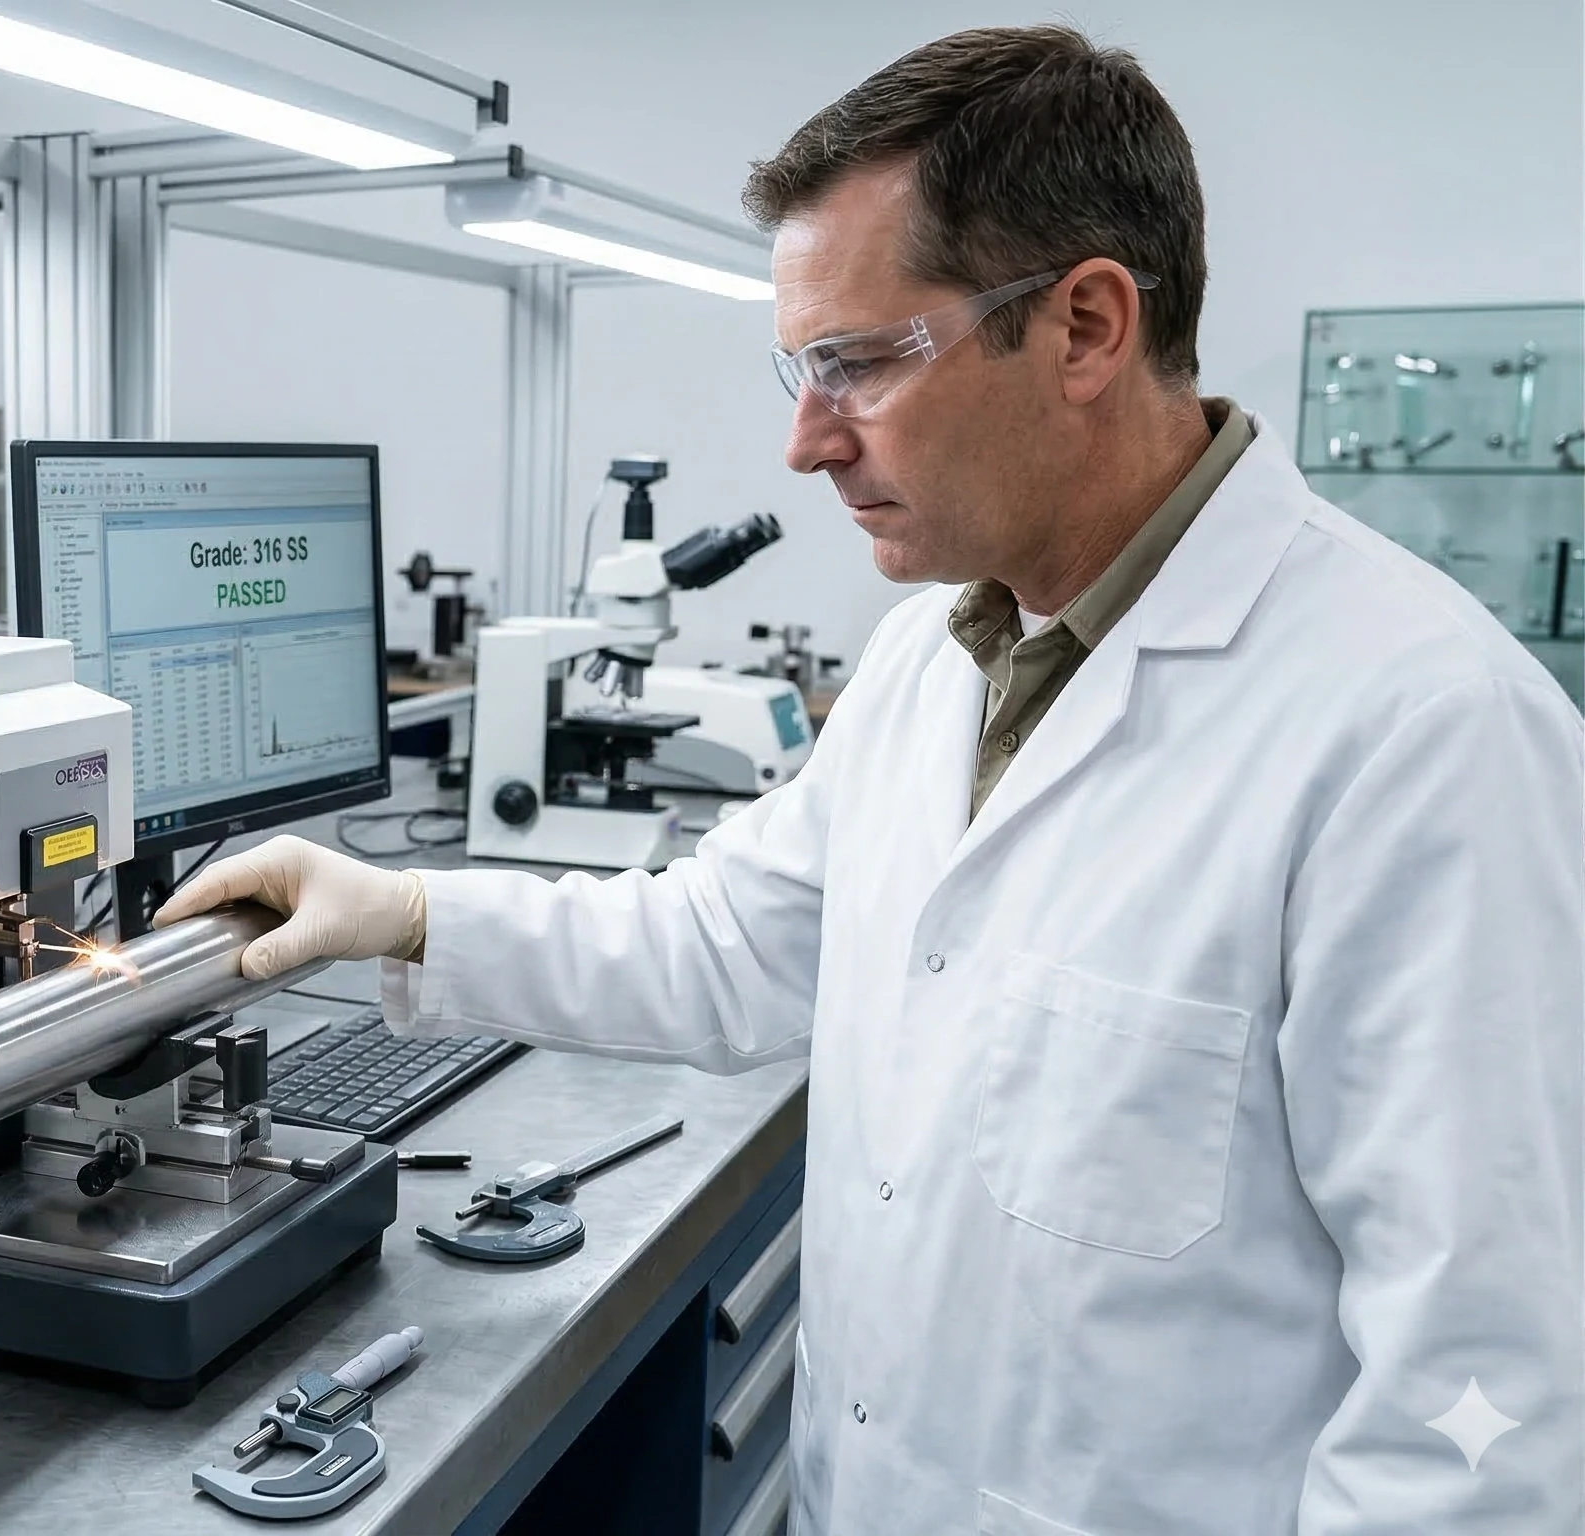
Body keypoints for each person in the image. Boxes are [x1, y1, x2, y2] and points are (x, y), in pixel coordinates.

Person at [158, 25, 1583, 1535]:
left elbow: (1481, 1407)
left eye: (857, 364)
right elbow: (726, 944)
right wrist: (402, 913)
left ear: (1087, 326)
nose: (803, 442)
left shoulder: (1421, 734)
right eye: (801, 369)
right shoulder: (933, 661)